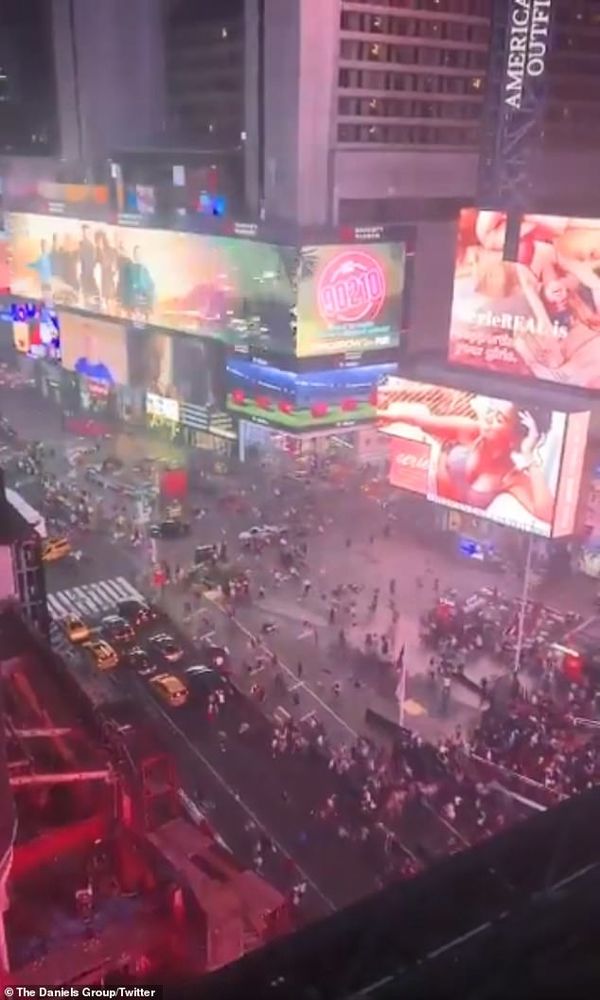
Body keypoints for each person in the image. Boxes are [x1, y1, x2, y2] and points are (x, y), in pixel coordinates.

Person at [381, 393, 555, 526]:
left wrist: (529, 455)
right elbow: (420, 421)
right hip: (416, 473)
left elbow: (547, 515)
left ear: (515, 438)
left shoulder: (512, 477)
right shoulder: (472, 432)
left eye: (499, 419)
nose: (488, 419)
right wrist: (381, 414)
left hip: (433, 510)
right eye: (491, 412)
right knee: (406, 423)